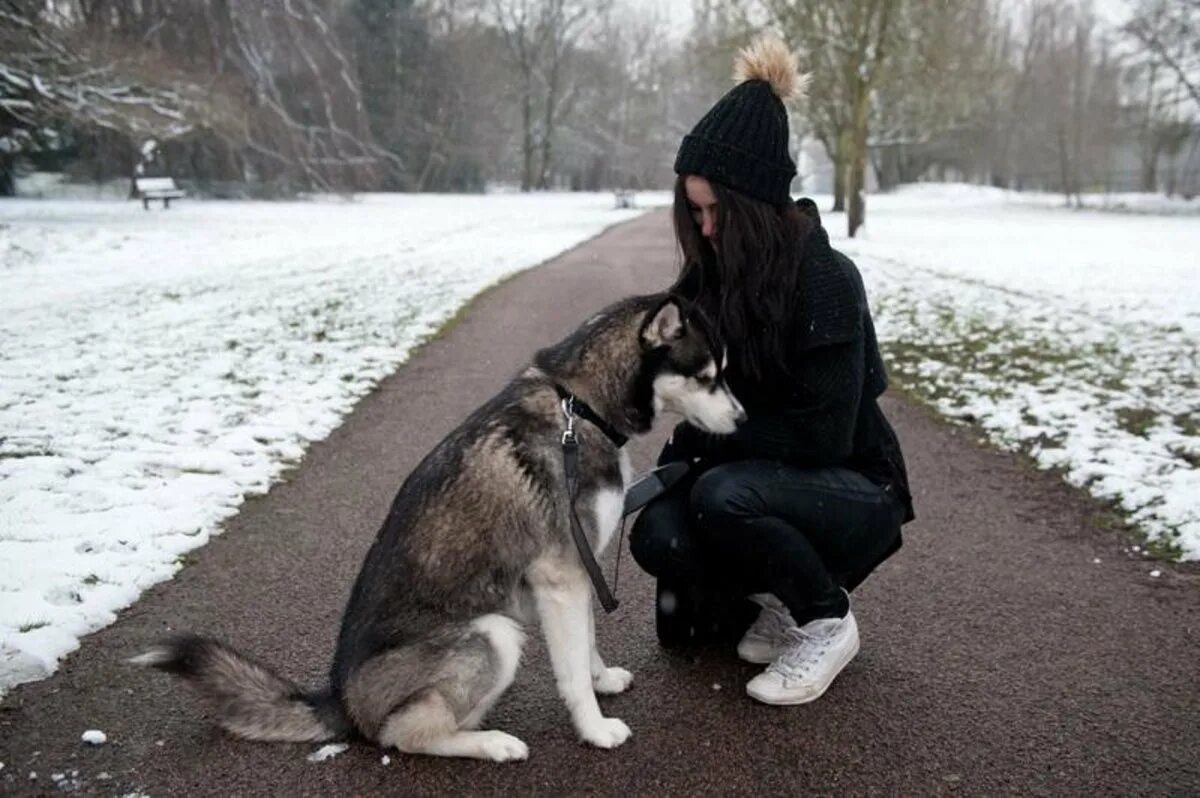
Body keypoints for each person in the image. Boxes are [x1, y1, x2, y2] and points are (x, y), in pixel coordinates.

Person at [629, 36, 915, 706]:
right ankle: (777, 599)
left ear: (756, 205)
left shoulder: (825, 279)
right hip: (755, 476)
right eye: (692, 210)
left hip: (852, 486)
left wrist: (711, 439)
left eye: (715, 211)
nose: (702, 229)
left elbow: (822, 437)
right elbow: (658, 362)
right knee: (656, 535)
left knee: (721, 497)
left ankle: (824, 618)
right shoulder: (711, 275)